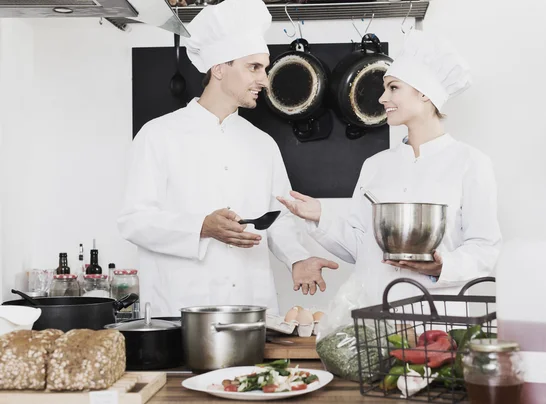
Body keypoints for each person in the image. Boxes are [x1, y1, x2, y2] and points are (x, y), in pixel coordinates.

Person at [117, 0, 338, 316]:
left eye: (265, 68)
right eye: (254, 67)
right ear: (219, 68)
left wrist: (297, 257)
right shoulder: (158, 135)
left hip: (252, 312)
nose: (264, 80)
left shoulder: (261, 144)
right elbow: (133, 220)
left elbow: (279, 217)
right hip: (180, 311)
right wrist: (201, 227)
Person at [278, 30, 502, 307]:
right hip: (373, 316)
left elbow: (485, 247)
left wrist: (442, 266)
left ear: (424, 93)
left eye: (393, 87)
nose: (382, 98)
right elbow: (361, 248)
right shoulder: (376, 165)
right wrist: (319, 215)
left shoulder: (470, 163)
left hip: (435, 320)